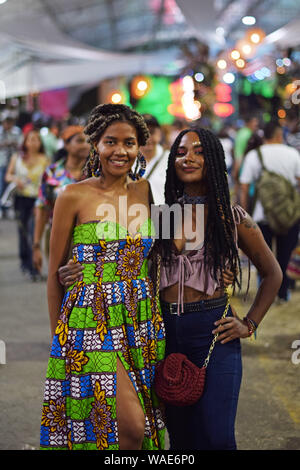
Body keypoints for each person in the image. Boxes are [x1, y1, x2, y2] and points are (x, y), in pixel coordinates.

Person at [59, 126, 282, 450]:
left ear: (215, 160)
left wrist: (249, 324)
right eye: (180, 152)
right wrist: (76, 270)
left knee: (218, 437)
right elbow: (126, 259)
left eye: (198, 151)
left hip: (214, 334)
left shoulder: (231, 218)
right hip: (164, 335)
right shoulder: (160, 217)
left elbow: (272, 273)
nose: (188, 158)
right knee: (179, 437)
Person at [40, 104, 166, 451]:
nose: (120, 151)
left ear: (141, 147)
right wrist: (59, 343)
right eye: (111, 142)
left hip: (140, 322)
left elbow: (166, 253)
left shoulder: (147, 192)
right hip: (88, 324)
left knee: (126, 425)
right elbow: (54, 275)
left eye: (129, 143)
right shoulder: (72, 195)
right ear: (96, 143)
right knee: (131, 426)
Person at [240, 121, 300, 303]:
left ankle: (265, 293)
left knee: (263, 258)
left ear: (263, 136)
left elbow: (244, 186)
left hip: (261, 215)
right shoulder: (293, 154)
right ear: (279, 135)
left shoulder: (254, 155)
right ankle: (282, 293)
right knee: (284, 254)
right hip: (289, 215)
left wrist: (244, 213)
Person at [32, 126, 89, 274]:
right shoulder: (52, 173)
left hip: (90, 238)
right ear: (66, 144)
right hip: (57, 236)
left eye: (88, 141)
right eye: (80, 141)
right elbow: (43, 207)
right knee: (58, 282)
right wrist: (36, 245)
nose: (85, 145)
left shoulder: (95, 173)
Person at [5, 130, 49, 279]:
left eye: (36, 139)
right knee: (22, 232)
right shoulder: (17, 158)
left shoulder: (45, 160)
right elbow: (7, 176)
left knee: (33, 232)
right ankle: (25, 262)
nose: (33, 142)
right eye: (30, 139)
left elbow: (49, 180)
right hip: (20, 199)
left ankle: (34, 268)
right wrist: (15, 179)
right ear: (25, 142)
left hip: (37, 201)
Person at [140, 114, 169, 204]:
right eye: (143, 133)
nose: (148, 138)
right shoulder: (128, 161)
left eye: (152, 132)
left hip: (165, 215)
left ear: (159, 134)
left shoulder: (171, 159)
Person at [0, 115, 22, 217]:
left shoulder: (16, 132)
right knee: (1, 186)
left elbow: (21, 144)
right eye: (6, 122)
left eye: (9, 122)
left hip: (13, 162)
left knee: (12, 186)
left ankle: (8, 207)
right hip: (2, 162)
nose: (7, 124)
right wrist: (5, 144)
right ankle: (2, 207)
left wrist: (13, 143)